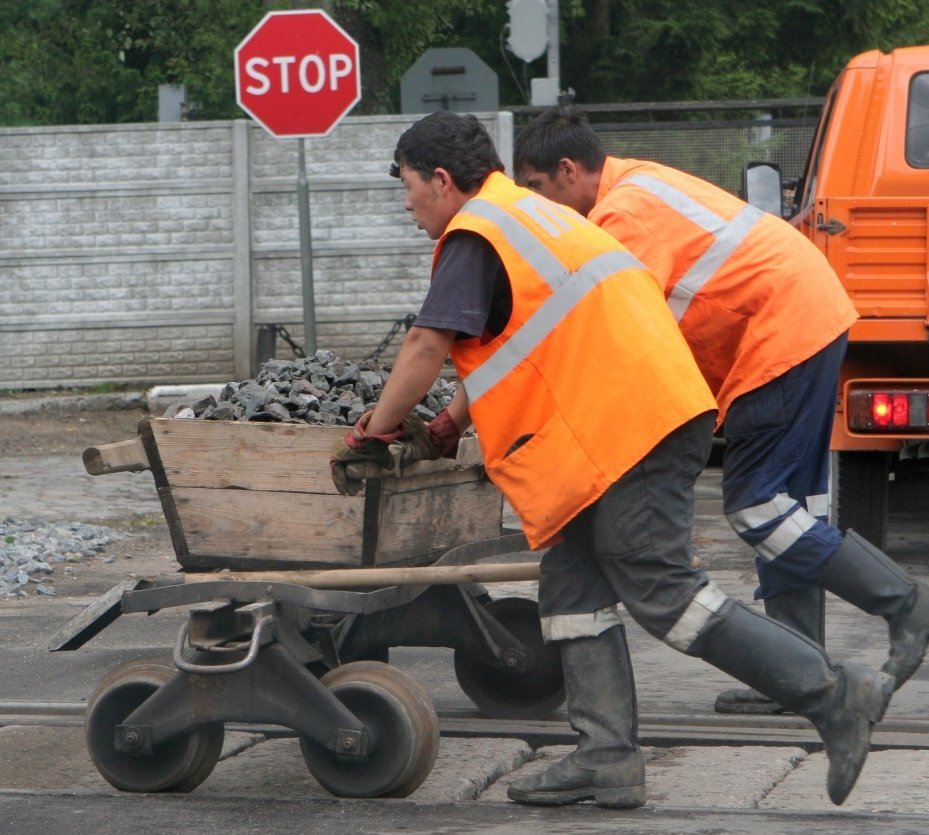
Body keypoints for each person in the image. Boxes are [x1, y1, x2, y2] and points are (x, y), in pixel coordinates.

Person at [329, 110, 893, 809]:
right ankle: (607, 758)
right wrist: (446, 424)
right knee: (572, 589)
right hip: (612, 428)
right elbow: (524, 339)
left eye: (409, 189)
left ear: (442, 181)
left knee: (665, 594)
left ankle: (836, 693)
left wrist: (370, 436)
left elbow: (425, 346)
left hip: (631, 426)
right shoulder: (534, 217)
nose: (408, 206)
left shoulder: (477, 234)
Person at [512, 107, 929, 715]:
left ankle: (908, 605)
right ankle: (801, 670)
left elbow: (620, 336)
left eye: (538, 190)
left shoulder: (623, 217)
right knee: (791, 511)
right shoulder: (637, 183)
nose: (543, 210)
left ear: (568, 171)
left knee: (758, 506)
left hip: (779, 333)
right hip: (804, 315)